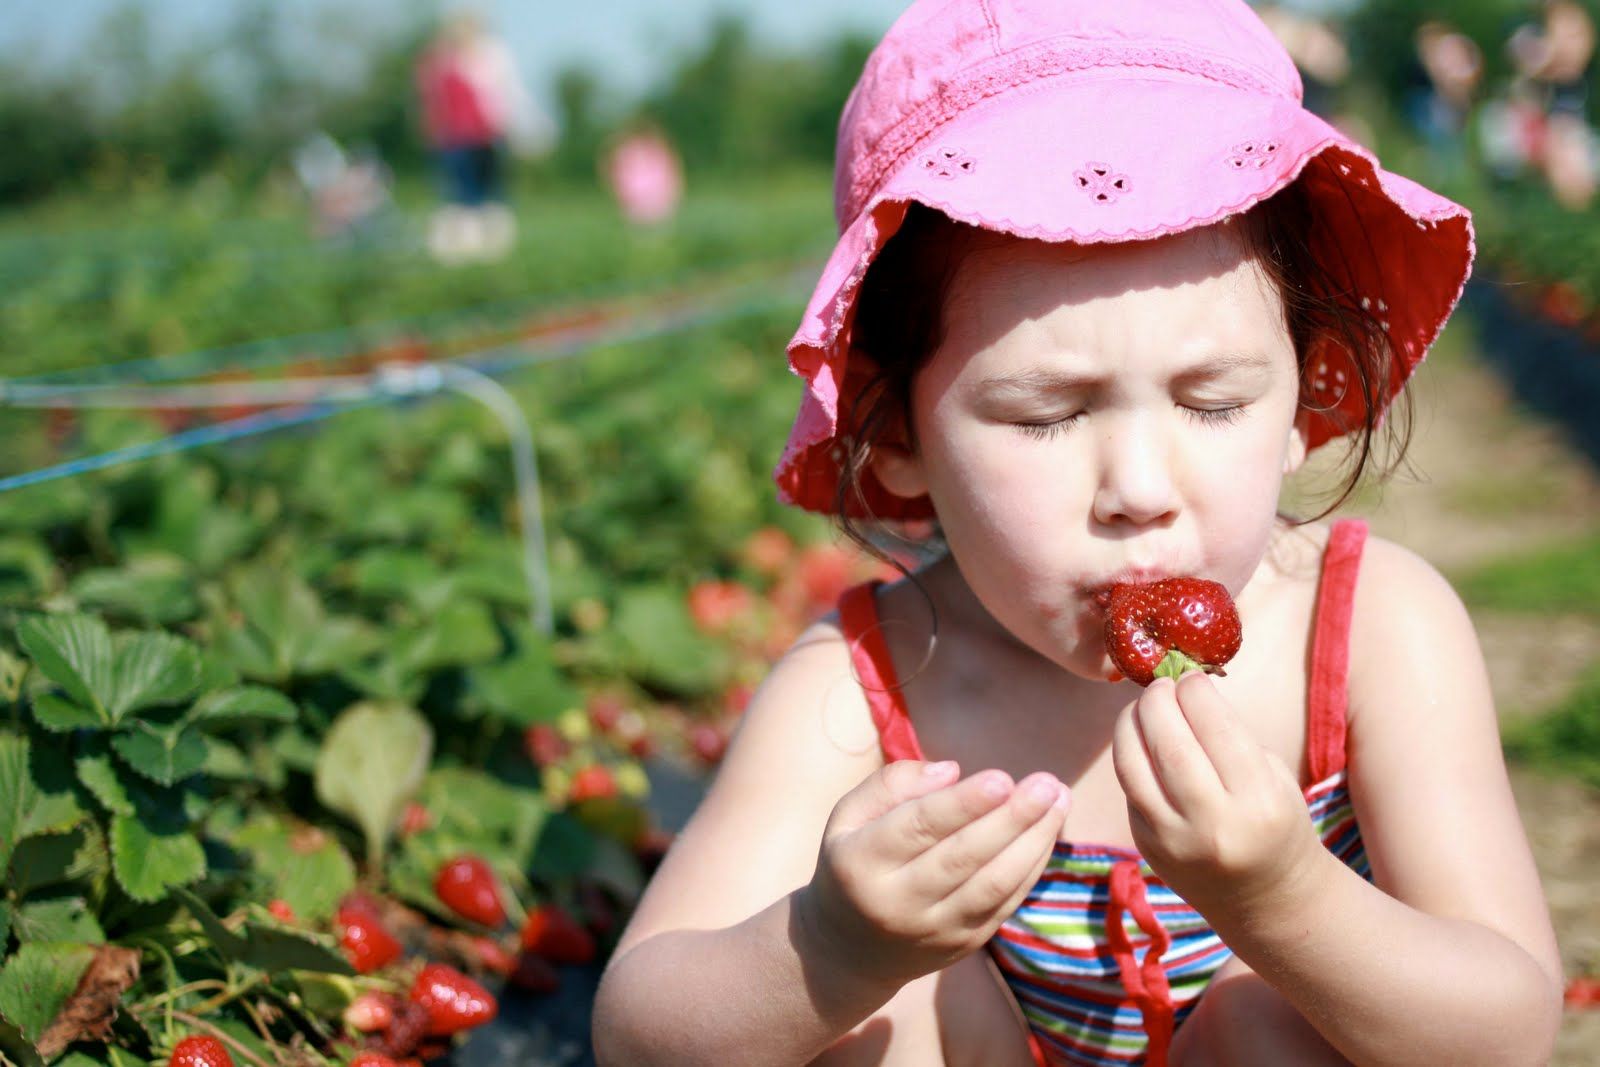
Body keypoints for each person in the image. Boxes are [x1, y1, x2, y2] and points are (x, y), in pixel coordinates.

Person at [592, 2, 1564, 1064]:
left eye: (1210, 400)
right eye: (1047, 414)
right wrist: (833, 948)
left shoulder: (1377, 626)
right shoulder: (860, 688)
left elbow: (1505, 1026)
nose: (1137, 490)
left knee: (1262, 1025)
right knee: (903, 1007)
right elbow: (641, 1029)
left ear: (1303, 393)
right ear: (899, 430)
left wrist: (1285, 895)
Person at [415, 13, 551, 263]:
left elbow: (504, 97)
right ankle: (463, 250)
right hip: (455, 138)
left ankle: (490, 249)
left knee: (487, 193)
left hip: (482, 136)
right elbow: (432, 103)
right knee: (462, 194)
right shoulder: (440, 64)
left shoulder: (485, 60)